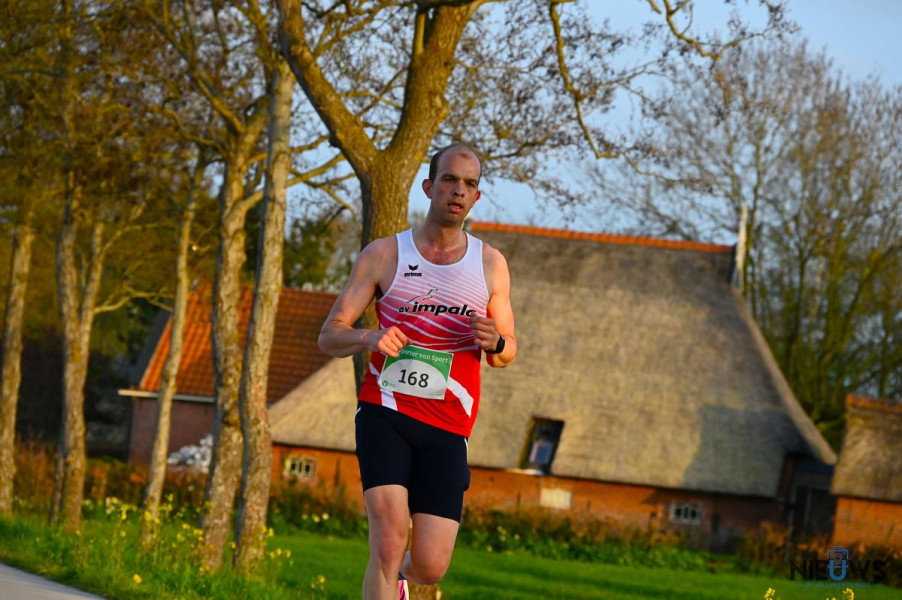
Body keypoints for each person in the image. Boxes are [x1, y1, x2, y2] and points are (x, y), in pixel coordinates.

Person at [318, 142, 517, 600]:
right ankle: (388, 576)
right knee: (388, 543)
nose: (459, 190)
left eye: (469, 184)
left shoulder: (490, 264)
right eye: (449, 179)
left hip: (449, 423)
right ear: (429, 187)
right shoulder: (384, 254)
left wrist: (496, 342)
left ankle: (402, 582)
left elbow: (506, 352)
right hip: (385, 412)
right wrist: (368, 337)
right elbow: (329, 335)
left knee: (430, 564)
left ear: (477, 197)